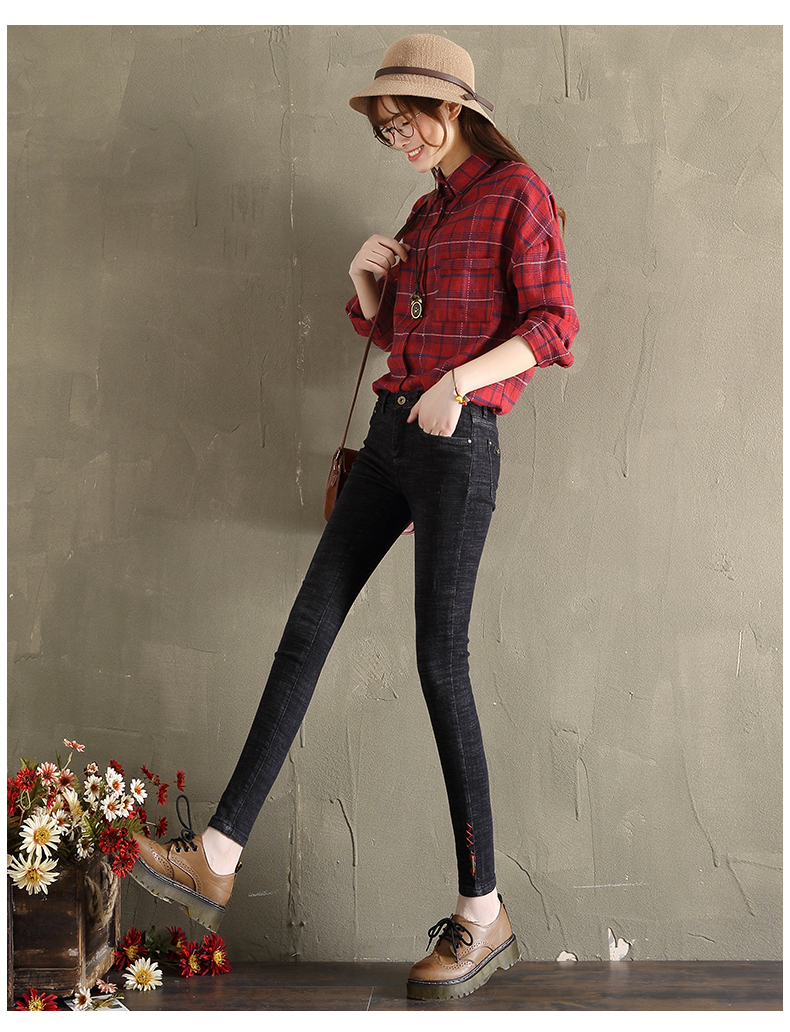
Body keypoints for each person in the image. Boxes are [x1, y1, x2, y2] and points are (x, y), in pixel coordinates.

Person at [130, 33, 579, 1001]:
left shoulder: (519, 194)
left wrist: (460, 384)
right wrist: (372, 282)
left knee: (438, 662)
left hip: (457, 445)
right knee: (307, 629)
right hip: (388, 439)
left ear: (454, 108)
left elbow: (551, 326)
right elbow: (398, 334)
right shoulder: (425, 211)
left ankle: (483, 912)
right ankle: (217, 855)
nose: (398, 140)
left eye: (408, 122)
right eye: (386, 130)